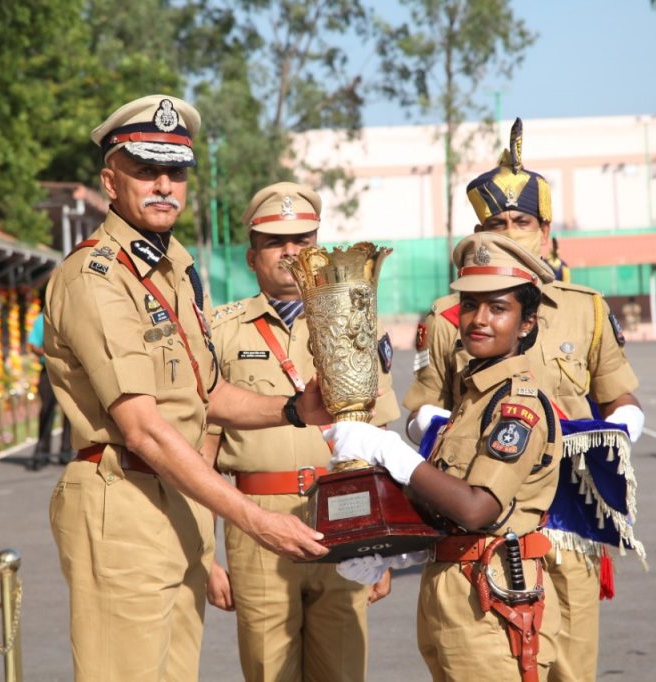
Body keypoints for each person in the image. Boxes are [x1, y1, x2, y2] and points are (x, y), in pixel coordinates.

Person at [44, 94, 330, 681]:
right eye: (145, 169)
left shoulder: (174, 268)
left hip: (177, 504)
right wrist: (256, 520)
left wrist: (295, 410)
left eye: (175, 172)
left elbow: (205, 397)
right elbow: (145, 429)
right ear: (110, 180)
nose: (163, 185)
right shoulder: (96, 277)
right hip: (123, 499)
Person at [404, 119, 644, 682]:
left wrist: (616, 434)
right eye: (496, 223)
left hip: (567, 529)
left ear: (546, 229)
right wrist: (445, 435)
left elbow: (620, 398)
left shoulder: (585, 308)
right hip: (485, 531)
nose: (510, 231)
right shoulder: (449, 315)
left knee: (571, 670)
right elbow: (419, 411)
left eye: (522, 221)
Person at [329, 232, 562, 681]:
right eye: (470, 305)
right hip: (452, 590)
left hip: (493, 601)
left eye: (499, 308)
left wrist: (389, 449)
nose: (479, 319)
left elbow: (477, 508)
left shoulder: (518, 404)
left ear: (527, 323)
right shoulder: (473, 397)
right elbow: (442, 504)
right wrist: (391, 551)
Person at [203, 182, 399, 681]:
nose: (290, 251)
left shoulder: (355, 319)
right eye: (274, 241)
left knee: (343, 669)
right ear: (252, 257)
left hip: (344, 516)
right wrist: (205, 556)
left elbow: (379, 439)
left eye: (302, 239)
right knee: (271, 671)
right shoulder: (219, 331)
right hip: (257, 524)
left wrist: (383, 545)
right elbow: (201, 449)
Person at [26, 309, 72, 470]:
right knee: (46, 409)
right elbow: (32, 344)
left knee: (70, 411)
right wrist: (50, 354)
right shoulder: (42, 319)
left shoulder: (71, 316)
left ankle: (66, 451)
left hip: (69, 371)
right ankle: (42, 451)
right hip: (48, 370)